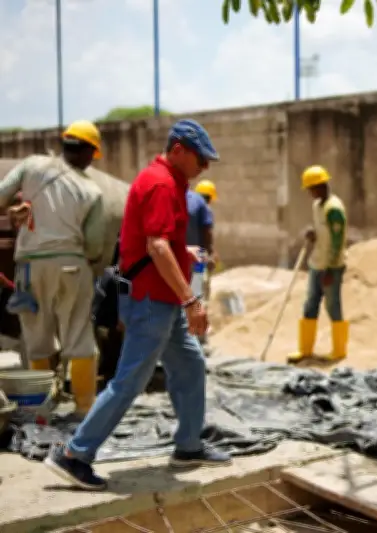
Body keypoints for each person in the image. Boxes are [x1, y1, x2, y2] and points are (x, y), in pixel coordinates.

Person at [45, 119, 231, 491]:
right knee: (130, 380)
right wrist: (192, 299)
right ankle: (74, 454)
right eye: (201, 158)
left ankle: (188, 444)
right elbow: (156, 247)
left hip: (161, 298)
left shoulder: (170, 181)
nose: (205, 167)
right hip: (152, 300)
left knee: (191, 364)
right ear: (178, 150)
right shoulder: (162, 183)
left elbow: (162, 242)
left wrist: (186, 253)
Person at [0, 120, 105, 417]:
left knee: (37, 338)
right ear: (89, 153)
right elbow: (95, 245)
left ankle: (41, 408)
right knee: (79, 336)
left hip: (31, 267)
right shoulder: (91, 190)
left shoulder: (32, 165)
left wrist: (12, 212)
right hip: (72, 265)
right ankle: (85, 409)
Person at [287, 165, 349, 364]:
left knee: (333, 306)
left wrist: (331, 268)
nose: (309, 193)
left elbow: (338, 241)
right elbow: (322, 231)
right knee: (310, 305)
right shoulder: (317, 206)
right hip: (316, 262)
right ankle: (305, 349)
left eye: (311, 189)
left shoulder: (334, 209)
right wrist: (312, 234)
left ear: (320, 186)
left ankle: (338, 351)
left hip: (332, 266)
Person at [186, 179, 217, 345]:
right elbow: (208, 234)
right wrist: (210, 255)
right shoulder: (203, 207)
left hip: (177, 259)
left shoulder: (183, 201)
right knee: (198, 296)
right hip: (197, 261)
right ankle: (199, 336)